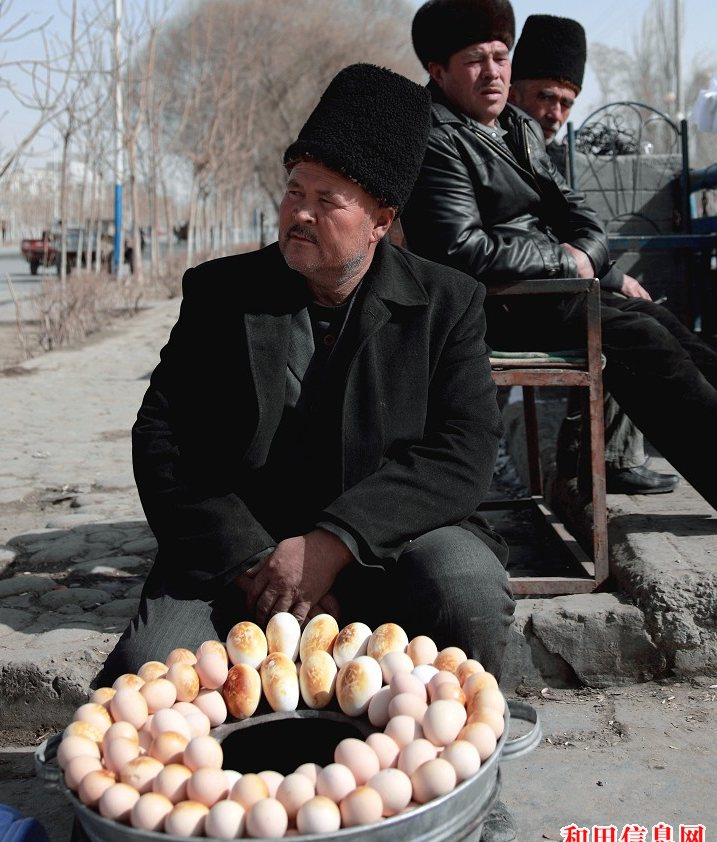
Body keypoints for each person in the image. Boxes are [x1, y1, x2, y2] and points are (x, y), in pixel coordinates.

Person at [96, 63, 514, 728]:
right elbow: (164, 440)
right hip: (245, 565)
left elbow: (463, 452)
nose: (301, 212)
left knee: (464, 582)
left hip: (388, 552)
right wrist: (257, 559)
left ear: (380, 219)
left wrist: (333, 543)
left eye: (328, 198)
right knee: (147, 667)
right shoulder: (220, 295)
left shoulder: (448, 304)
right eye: (295, 189)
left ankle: (467, 770)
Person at [400, 0, 717, 515]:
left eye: (501, 57)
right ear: (439, 71)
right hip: (493, 308)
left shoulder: (516, 128)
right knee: (645, 340)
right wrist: (566, 262)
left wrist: (590, 260)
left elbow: (581, 218)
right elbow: (461, 249)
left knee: (660, 321)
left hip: (546, 296)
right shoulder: (437, 138)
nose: (493, 73)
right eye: (475, 60)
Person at [508, 13, 679, 495]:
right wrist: (597, 271)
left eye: (566, 103)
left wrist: (614, 273)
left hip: (552, 285)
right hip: (511, 299)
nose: (556, 113)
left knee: (636, 308)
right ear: (515, 89)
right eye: (545, 97)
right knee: (628, 325)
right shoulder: (502, 146)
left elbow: (577, 231)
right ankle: (604, 458)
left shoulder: (542, 152)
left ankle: (598, 455)